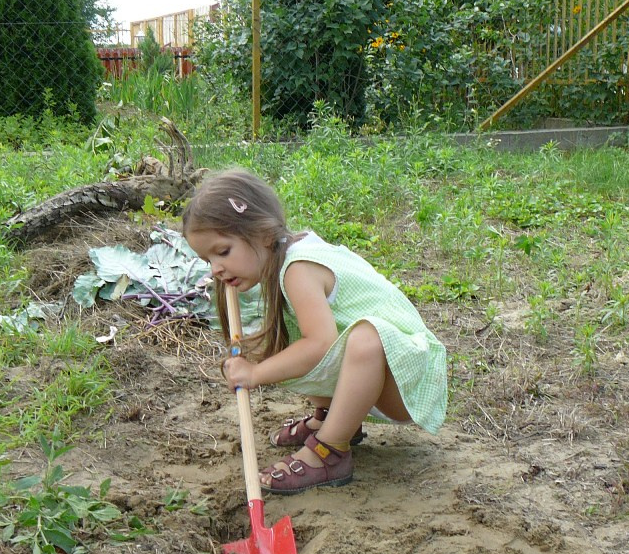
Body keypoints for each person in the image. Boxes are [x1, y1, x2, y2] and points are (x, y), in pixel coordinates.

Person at [182, 168, 447, 495]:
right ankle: (331, 418)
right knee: (293, 337)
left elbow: (321, 345)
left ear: (263, 233)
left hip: (407, 378)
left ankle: (331, 452)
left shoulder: (298, 268)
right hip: (382, 374)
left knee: (361, 339)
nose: (216, 268)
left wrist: (255, 374)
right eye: (207, 259)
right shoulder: (279, 257)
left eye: (223, 252)